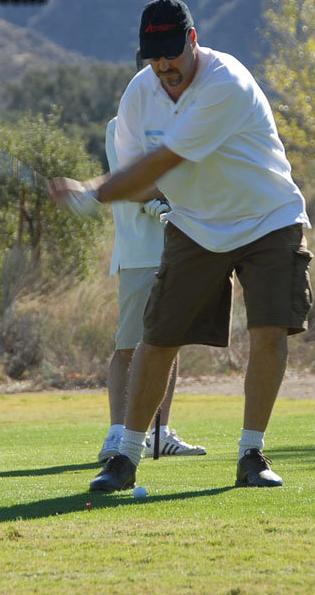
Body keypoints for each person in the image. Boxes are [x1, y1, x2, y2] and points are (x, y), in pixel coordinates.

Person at [50, 0, 312, 492]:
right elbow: (139, 176)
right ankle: (125, 457)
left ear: (193, 40)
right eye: (154, 56)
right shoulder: (139, 94)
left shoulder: (226, 82)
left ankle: (252, 453)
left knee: (269, 331)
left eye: (172, 52)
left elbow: (164, 161)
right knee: (158, 337)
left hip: (268, 217)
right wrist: (111, 191)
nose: (164, 65)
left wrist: (94, 192)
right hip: (195, 224)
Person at [98, 107, 206, 462]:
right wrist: (171, 195)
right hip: (138, 254)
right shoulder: (120, 126)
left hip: (179, 247)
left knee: (167, 344)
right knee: (128, 346)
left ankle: (159, 434)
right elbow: (131, 185)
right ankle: (117, 435)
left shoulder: (181, 126)